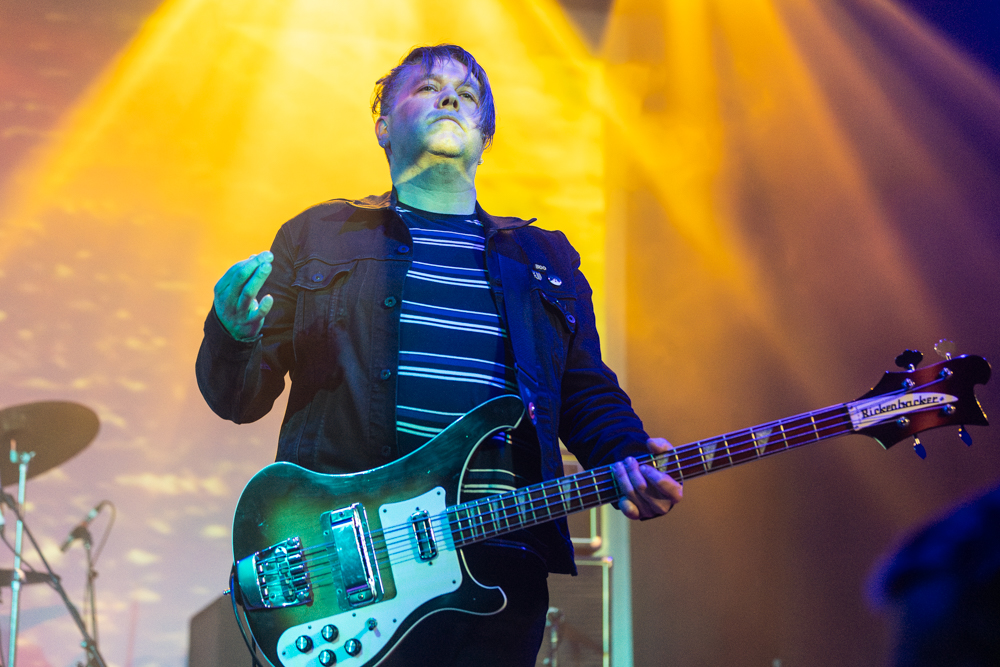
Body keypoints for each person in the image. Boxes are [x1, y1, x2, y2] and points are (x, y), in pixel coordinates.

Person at [196, 44, 682, 666]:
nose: (451, 96)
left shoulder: (543, 257)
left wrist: (626, 454)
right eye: (428, 86)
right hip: (354, 568)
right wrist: (234, 332)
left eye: (468, 93)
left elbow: (584, 390)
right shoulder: (318, 235)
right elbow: (239, 399)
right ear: (383, 127)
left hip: (500, 566)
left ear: (485, 136)